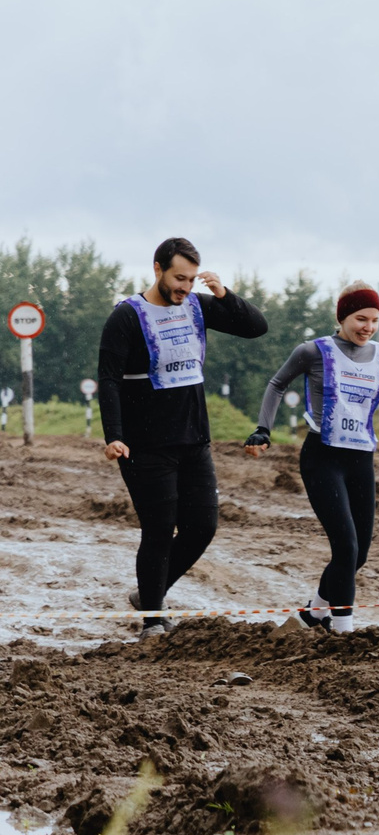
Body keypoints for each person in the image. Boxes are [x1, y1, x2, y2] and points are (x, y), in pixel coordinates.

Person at [96, 237, 270, 633]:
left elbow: (256, 328)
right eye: (179, 278)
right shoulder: (126, 316)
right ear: (157, 269)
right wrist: (114, 435)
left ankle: (148, 594)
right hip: (144, 444)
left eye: (191, 279)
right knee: (158, 529)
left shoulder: (195, 305)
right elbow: (108, 379)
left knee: (202, 528)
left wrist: (224, 294)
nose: (185, 287)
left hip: (194, 439)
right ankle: (152, 621)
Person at [243, 285, 379, 631]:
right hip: (322, 458)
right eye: (360, 319)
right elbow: (277, 384)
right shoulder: (313, 351)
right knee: (345, 546)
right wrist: (263, 429)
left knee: (359, 554)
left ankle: (314, 613)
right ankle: (343, 630)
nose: (368, 327)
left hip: (361, 460)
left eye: (374, 320)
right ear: (341, 317)